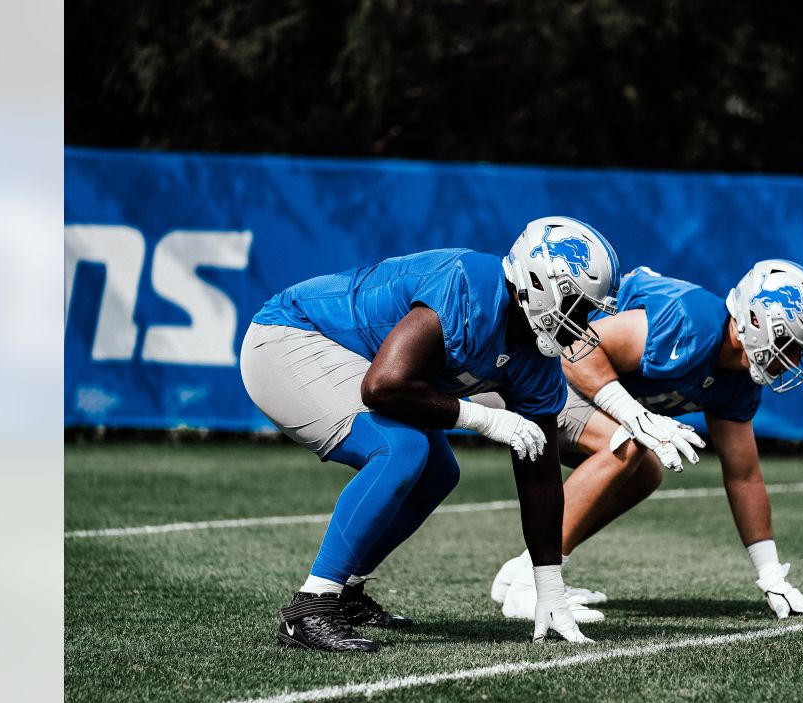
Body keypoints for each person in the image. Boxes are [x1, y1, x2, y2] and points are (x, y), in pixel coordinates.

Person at [240, 216, 620, 651]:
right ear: (539, 282)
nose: (583, 322)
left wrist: (548, 585)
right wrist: (488, 419)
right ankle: (311, 605)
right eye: (578, 306)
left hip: (363, 362)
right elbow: (383, 388)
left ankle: (346, 592)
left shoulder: (535, 356)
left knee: (439, 472)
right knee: (401, 450)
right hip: (291, 336)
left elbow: (540, 474)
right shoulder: (467, 286)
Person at [488, 262, 803, 622]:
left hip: (575, 386)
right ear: (758, 321)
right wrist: (634, 417)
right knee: (627, 443)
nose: (793, 360)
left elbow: (744, 476)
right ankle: (533, 587)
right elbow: (575, 346)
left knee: (645, 472)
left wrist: (771, 576)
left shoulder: (738, 379)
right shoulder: (688, 323)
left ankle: (524, 569)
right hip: (538, 373)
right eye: (790, 345)